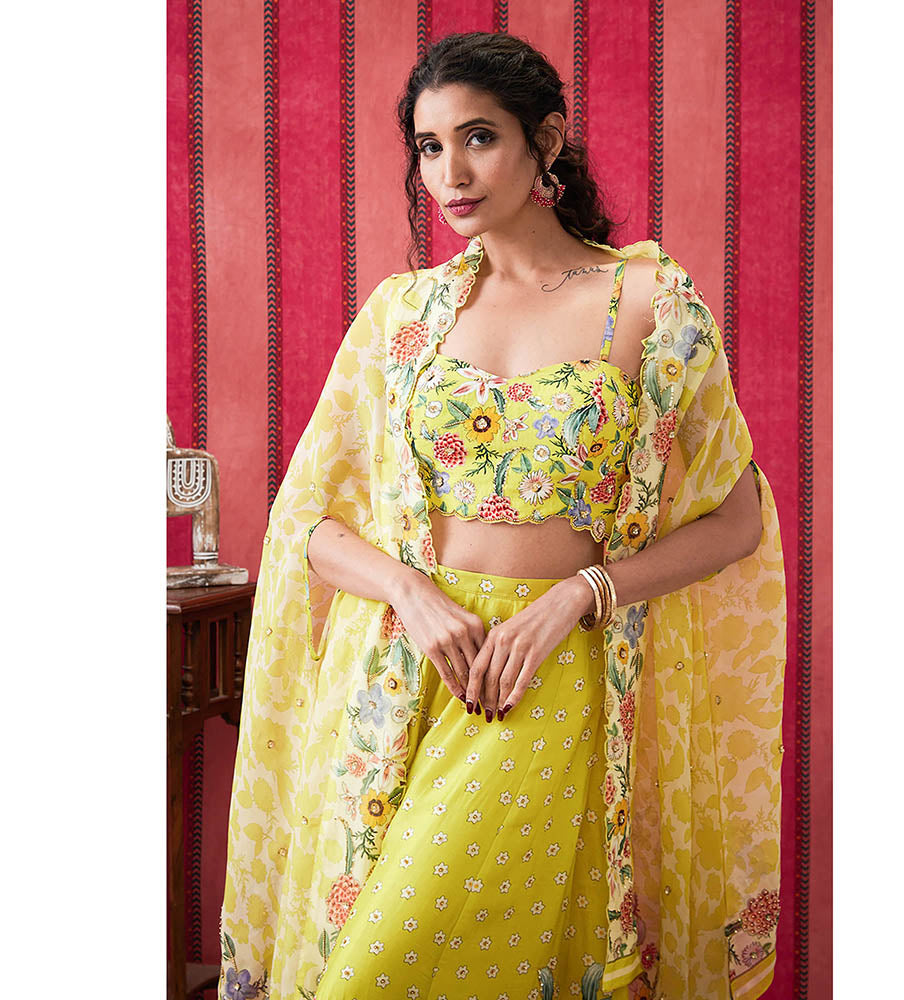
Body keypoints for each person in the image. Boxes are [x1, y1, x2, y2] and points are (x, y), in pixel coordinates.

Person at [217, 31, 786, 1000]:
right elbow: (305, 522)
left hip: (545, 675)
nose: (450, 173)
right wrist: (411, 593)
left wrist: (580, 594)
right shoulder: (405, 315)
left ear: (545, 139)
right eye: (429, 147)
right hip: (403, 681)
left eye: (477, 137)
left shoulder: (649, 304)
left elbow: (736, 522)